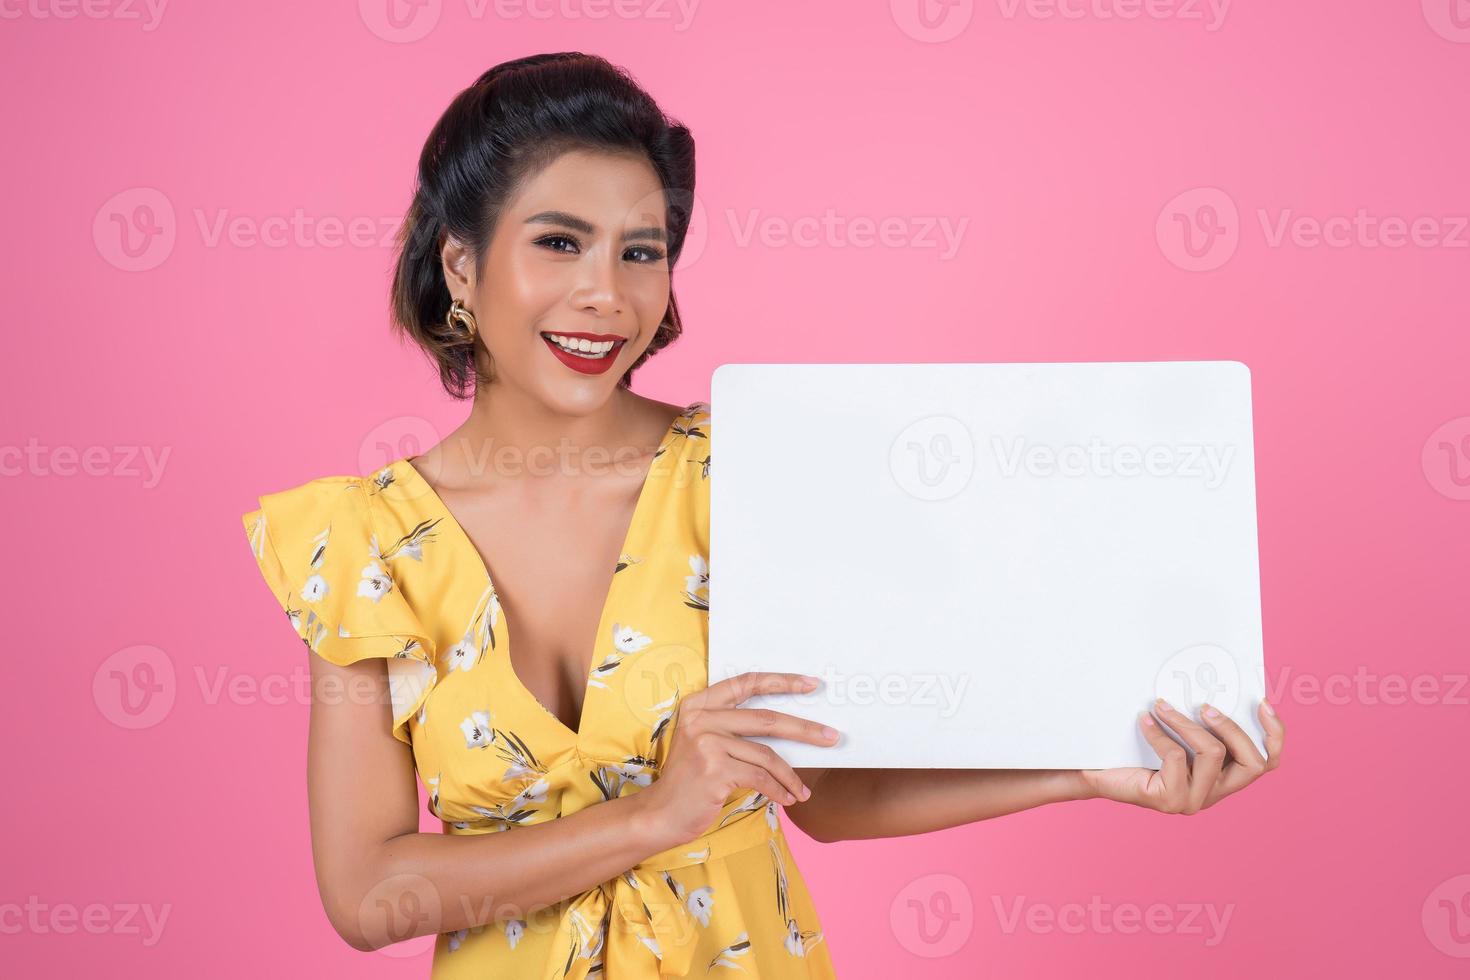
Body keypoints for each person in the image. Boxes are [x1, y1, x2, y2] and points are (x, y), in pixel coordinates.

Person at [240, 51, 1285, 979]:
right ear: (461, 265)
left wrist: (1084, 764)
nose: (605, 292)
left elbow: (825, 792)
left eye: (640, 250)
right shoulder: (360, 541)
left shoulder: (749, 469)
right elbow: (370, 891)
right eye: (559, 242)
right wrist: (654, 814)